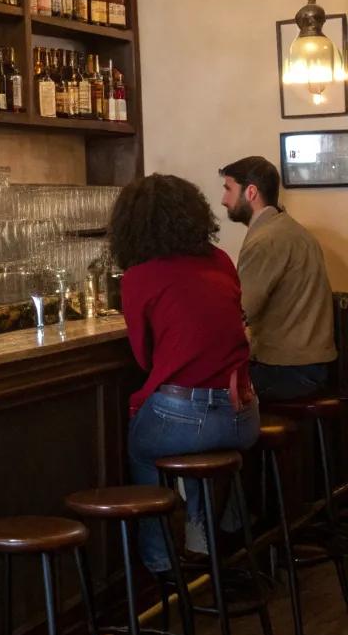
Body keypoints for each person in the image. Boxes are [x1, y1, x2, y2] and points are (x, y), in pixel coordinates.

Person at [109, 173, 259, 573]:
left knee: (145, 447)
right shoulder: (221, 260)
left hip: (185, 418)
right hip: (243, 415)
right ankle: (202, 539)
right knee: (196, 445)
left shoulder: (140, 276)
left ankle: (159, 564)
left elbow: (144, 358)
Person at [219, 155, 335, 401]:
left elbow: (238, 312)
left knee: (206, 392)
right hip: (313, 367)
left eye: (228, 189)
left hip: (290, 372)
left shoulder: (267, 240)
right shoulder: (291, 229)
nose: (223, 200)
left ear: (251, 192)